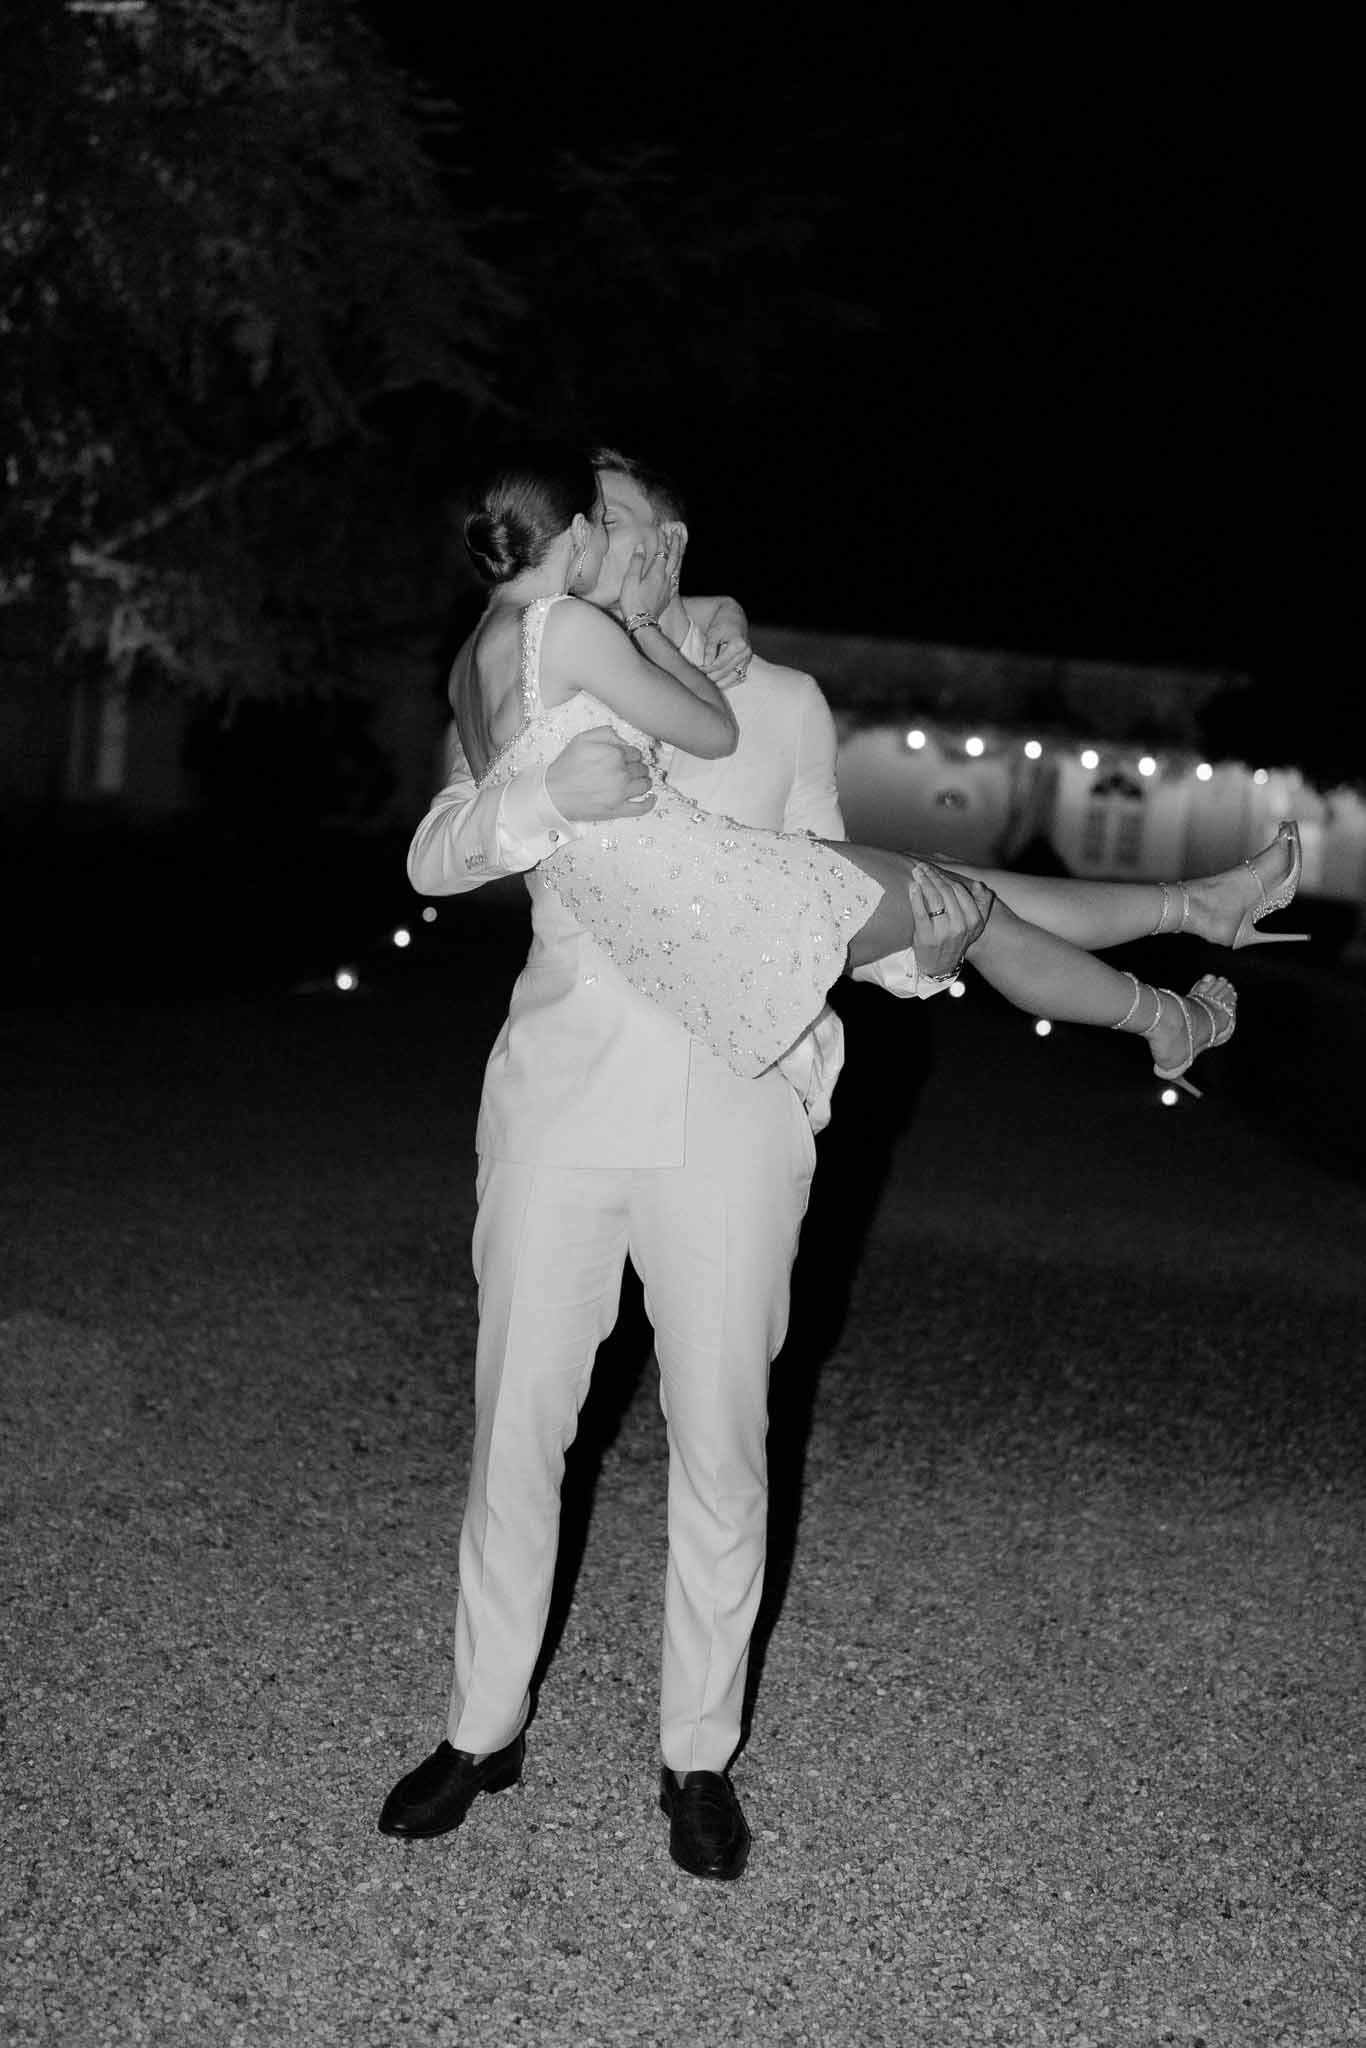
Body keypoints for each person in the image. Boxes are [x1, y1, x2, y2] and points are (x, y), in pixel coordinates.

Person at [381, 443, 1298, 1878]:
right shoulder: (534, 661)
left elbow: (823, 907)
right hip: (559, 1104)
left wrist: (928, 964)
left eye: (615, 528)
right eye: (581, 531)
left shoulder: (780, 700)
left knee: (724, 1441)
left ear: (666, 540)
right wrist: (553, 800)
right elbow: (442, 844)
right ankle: (478, 1728)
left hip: (739, 1111)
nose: (595, 550)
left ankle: (696, 1757)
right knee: (517, 1431)